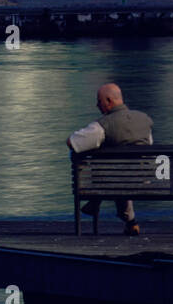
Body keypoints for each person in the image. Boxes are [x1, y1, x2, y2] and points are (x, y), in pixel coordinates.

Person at [66, 83, 154, 235]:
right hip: (145, 178)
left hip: (114, 180)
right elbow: (150, 143)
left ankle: (95, 200)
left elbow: (72, 142)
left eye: (99, 101)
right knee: (122, 173)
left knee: (110, 171)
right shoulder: (144, 119)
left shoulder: (102, 125)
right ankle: (130, 222)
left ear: (108, 101)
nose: (97, 105)